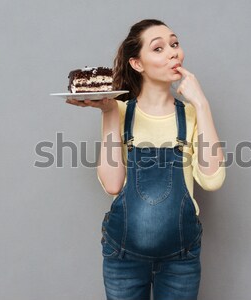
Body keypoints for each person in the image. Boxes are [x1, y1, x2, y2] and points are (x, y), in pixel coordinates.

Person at [66, 19, 225, 300]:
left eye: (174, 44)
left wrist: (202, 104)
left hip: (181, 259)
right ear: (137, 64)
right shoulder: (118, 109)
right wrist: (108, 113)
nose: (173, 52)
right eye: (159, 48)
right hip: (123, 257)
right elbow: (114, 185)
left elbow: (212, 180)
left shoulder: (190, 115)